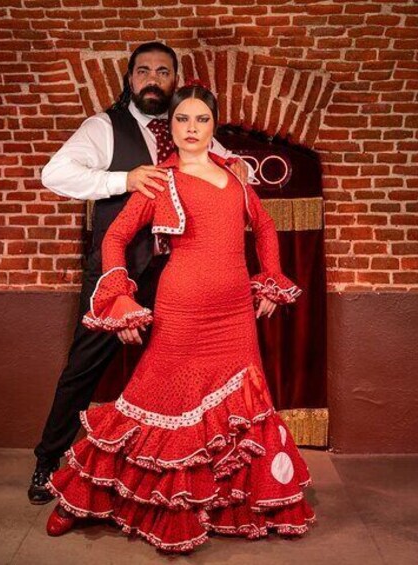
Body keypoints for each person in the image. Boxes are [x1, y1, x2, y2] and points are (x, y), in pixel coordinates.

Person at [43, 83, 314, 553]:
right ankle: (81, 495)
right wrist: (119, 297)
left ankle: (230, 504)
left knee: (242, 410)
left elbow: (265, 227)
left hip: (235, 313)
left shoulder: (234, 174)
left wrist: (271, 276)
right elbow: (115, 238)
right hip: (182, 309)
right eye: (182, 119)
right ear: (170, 127)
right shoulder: (159, 179)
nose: (192, 128)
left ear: (213, 125)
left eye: (201, 119)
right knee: (151, 400)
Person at [30, 42, 253, 504]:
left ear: (175, 80)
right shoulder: (103, 128)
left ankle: (176, 472)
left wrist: (238, 167)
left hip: (177, 280)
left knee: (179, 375)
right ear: (130, 79)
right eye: (144, 71)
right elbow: (55, 173)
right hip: (120, 274)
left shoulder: (188, 126)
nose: (153, 79)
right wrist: (123, 179)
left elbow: (231, 165)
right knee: (84, 367)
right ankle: (48, 461)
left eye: (163, 71)